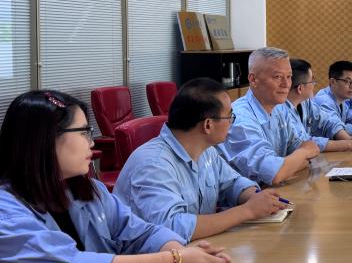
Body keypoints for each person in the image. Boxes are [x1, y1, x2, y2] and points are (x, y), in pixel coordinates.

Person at [0, 90, 231, 263]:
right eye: (83, 132)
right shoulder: (6, 213)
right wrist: (176, 261)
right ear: (46, 139)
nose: (92, 142)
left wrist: (181, 255)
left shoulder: (89, 191)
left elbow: (141, 232)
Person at [114, 78, 288, 242]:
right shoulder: (153, 165)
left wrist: (257, 198)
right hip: (154, 259)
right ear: (208, 125)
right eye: (229, 117)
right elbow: (173, 228)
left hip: (195, 250)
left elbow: (233, 183)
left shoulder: (206, 152)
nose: (232, 123)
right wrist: (248, 211)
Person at [220, 47, 320, 185]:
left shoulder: (280, 108)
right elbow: (274, 173)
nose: (286, 84)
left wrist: (294, 161)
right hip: (248, 196)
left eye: (289, 77)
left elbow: (305, 146)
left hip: (275, 191)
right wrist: (302, 155)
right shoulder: (240, 118)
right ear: (253, 79)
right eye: (277, 77)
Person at [286, 59, 352, 151]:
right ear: (300, 89)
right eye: (312, 81)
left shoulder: (306, 102)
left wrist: (349, 139)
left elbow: (327, 121)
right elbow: (301, 142)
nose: (314, 85)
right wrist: (349, 144)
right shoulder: (282, 111)